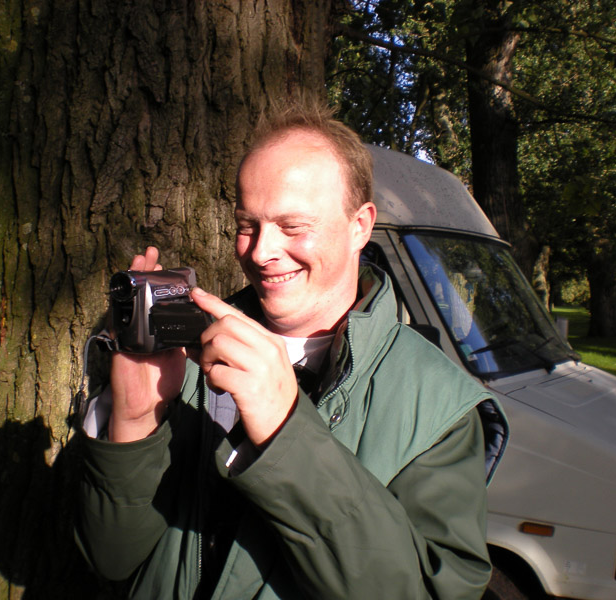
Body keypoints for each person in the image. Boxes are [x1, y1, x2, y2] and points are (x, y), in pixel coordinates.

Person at [74, 102, 508, 599]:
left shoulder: (438, 405)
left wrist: (286, 434)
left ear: (360, 226)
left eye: (293, 226)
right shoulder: (187, 356)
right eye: (246, 224)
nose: (259, 252)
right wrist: (133, 420)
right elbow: (110, 558)